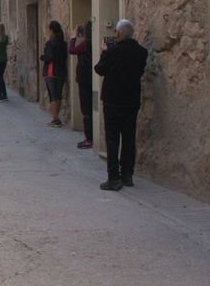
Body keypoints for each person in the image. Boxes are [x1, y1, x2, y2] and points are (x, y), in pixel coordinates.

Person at [94, 19, 149, 191]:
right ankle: (127, 175)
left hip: (113, 101)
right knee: (129, 138)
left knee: (112, 139)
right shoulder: (142, 52)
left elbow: (99, 69)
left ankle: (113, 178)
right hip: (131, 101)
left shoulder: (112, 52)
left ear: (118, 33)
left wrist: (104, 52)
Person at [69, 21, 94, 149]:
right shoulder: (93, 43)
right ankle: (91, 137)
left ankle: (89, 138)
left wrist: (73, 37)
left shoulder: (86, 44)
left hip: (84, 80)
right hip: (91, 78)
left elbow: (71, 50)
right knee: (91, 108)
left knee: (86, 109)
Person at [41, 20, 68, 126]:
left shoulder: (50, 43)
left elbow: (49, 57)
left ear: (51, 30)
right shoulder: (63, 44)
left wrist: (42, 57)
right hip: (61, 71)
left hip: (51, 71)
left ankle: (55, 119)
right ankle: (57, 117)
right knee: (58, 95)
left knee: (53, 96)